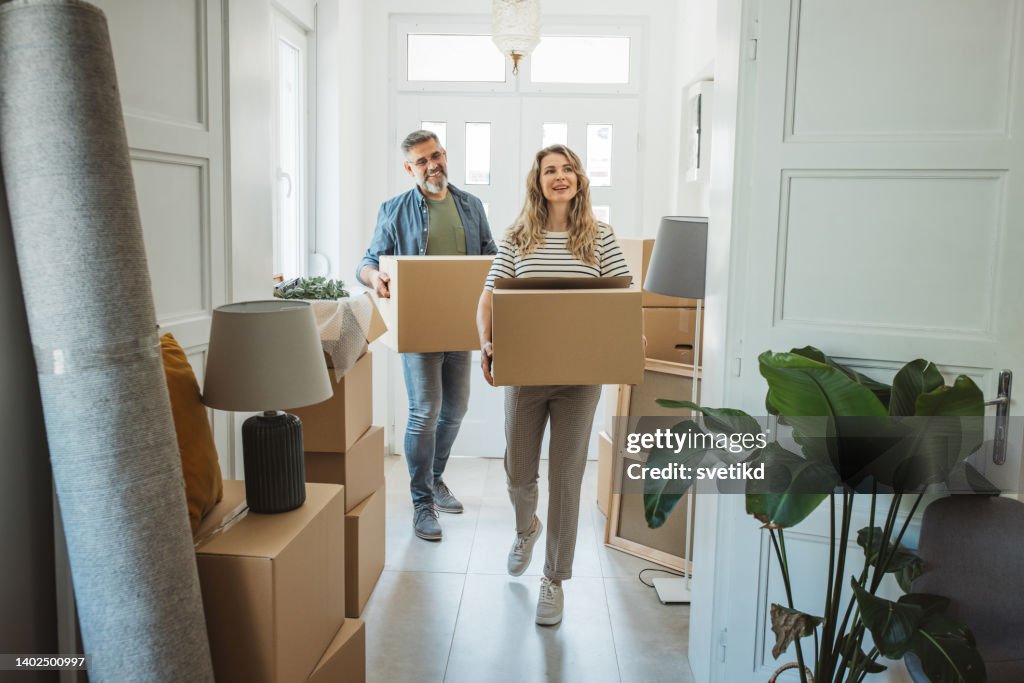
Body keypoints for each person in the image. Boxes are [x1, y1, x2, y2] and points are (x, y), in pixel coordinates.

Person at [475, 144, 631, 625]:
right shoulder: (518, 237)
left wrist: (629, 340)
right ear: (537, 182)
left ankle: (554, 579)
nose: (559, 177)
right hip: (525, 376)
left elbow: (623, 299)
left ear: (580, 180)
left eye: (567, 169)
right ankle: (527, 528)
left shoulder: (600, 238)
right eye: (550, 171)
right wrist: (486, 343)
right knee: (520, 472)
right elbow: (488, 299)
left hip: (580, 380)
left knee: (566, 479)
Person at [357, 129, 497, 541]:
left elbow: (491, 254)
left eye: (435, 155)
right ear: (409, 168)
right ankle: (421, 503)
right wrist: (375, 275)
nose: (432, 164)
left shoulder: (470, 206)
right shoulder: (394, 209)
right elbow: (366, 261)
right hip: (418, 327)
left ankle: (435, 478)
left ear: (445, 155)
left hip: (461, 324)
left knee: (456, 407)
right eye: (421, 160)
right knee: (425, 411)